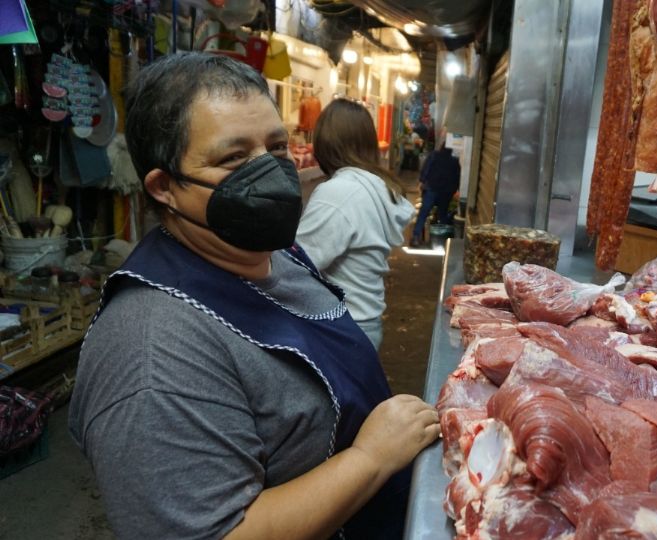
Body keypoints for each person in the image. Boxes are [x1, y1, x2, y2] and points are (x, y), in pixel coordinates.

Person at [68, 53, 439, 540]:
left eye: (277, 146)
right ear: (165, 189)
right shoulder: (151, 351)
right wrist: (369, 459)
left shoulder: (273, 253)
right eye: (233, 157)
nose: (269, 171)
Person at [296, 98, 414, 350]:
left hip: (341, 330)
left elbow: (298, 263)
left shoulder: (340, 193)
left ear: (325, 142)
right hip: (365, 325)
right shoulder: (376, 186)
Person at [411, 138, 461, 247]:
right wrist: (454, 190)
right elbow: (457, 177)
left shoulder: (435, 155)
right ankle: (440, 240)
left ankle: (415, 237)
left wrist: (422, 181)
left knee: (423, 213)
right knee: (442, 215)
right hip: (445, 192)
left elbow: (426, 168)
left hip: (431, 189)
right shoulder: (455, 161)